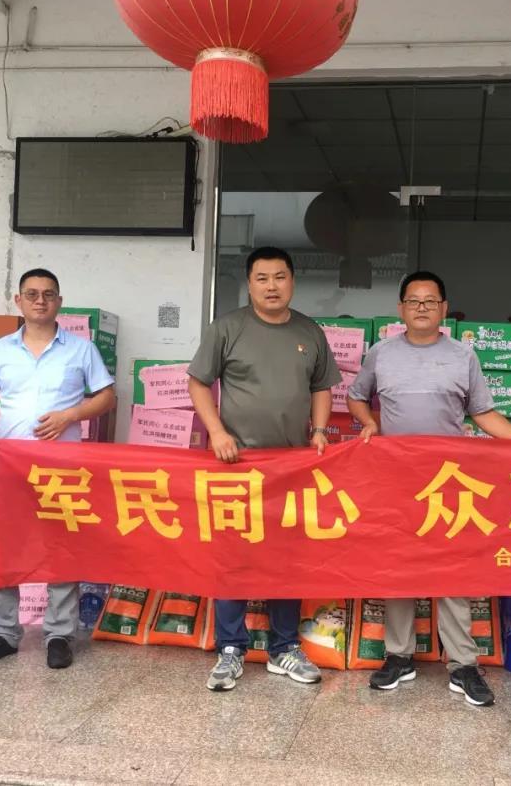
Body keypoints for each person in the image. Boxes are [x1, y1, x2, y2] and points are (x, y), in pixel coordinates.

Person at [347, 270, 511, 707]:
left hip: (449, 482)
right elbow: (356, 396)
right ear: (400, 309)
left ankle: (463, 664)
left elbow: (484, 413)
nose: (421, 307)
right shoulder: (381, 354)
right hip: (397, 479)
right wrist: (368, 422)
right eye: (413, 300)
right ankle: (398, 656)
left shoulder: (463, 356)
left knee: (453, 570)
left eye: (429, 301)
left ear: (443, 309)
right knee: (398, 567)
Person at [187, 245, 341, 692]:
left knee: (286, 560)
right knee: (234, 559)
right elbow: (198, 382)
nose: (271, 286)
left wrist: (319, 430)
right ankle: (230, 648)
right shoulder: (227, 328)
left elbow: (322, 386)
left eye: (279, 277)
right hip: (237, 466)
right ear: (250, 283)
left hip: (291, 468)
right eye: (262, 278)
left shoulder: (310, 331)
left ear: (292, 281)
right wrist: (217, 432)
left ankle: (284, 648)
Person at [0, 268, 117, 670]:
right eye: (31, 294)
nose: (40, 301)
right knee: (4, 548)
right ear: (18, 301)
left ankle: (59, 635)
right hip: (8, 465)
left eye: (48, 294)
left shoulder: (81, 349)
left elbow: (107, 397)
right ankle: (3, 633)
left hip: (60, 467)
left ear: (59, 302)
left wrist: (71, 415)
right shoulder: (0, 350)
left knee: (60, 548)